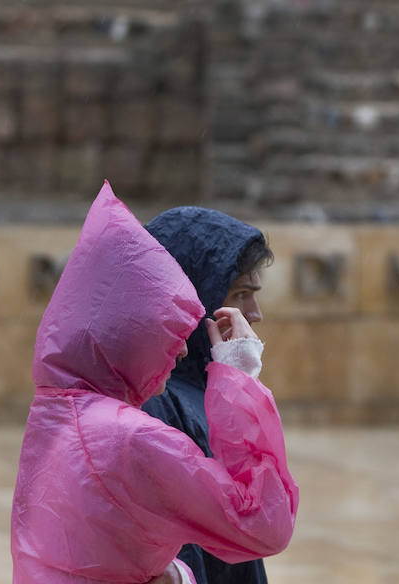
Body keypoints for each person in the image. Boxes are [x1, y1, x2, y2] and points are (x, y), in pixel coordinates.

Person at [11, 182, 299, 583]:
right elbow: (262, 522)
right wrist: (240, 382)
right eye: (239, 294)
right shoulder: (138, 424)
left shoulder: (63, 408)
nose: (255, 313)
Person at [141, 205, 276, 584]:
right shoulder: (156, 401)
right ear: (193, 297)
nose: (255, 313)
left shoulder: (205, 386)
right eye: (240, 294)